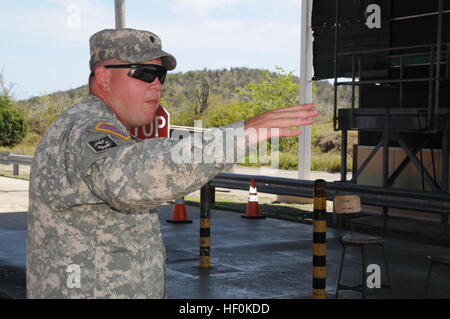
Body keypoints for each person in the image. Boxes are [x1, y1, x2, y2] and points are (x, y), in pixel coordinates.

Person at [26, 28, 319, 298]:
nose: (157, 86)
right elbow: (133, 176)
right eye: (143, 73)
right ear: (103, 77)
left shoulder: (94, 126)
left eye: (161, 76)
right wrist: (239, 135)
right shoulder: (85, 129)